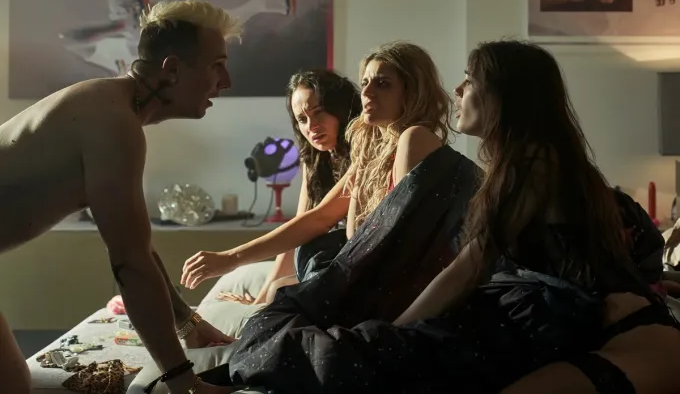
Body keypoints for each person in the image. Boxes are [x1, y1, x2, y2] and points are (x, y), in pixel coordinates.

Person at [189, 40, 679, 394]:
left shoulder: (528, 165)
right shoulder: (516, 164)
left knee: (321, 345)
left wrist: (396, 331)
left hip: (530, 317)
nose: (459, 88)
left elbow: (461, 266)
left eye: (472, 79)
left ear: (504, 95)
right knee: (290, 321)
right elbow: (325, 220)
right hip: (512, 306)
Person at [0, 0, 241, 394]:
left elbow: (135, 245)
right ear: (173, 70)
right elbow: (131, 265)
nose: (226, 81)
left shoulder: (111, 109)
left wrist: (188, 324)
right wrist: (185, 383)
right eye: (217, 65)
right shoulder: (113, 123)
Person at [180, 41, 453, 295]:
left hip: (379, 277)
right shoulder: (358, 149)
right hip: (358, 265)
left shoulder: (410, 139)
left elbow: (396, 241)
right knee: (274, 293)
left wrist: (235, 261)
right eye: (365, 83)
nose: (367, 93)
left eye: (382, 84)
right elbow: (312, 221)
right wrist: (244, 274)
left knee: (277, 298)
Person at [215, 68, 362, 306]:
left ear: (341, 109)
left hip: (358, 261)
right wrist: (259, 301)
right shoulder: (315, 161)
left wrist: (232, 258)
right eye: (302, 119)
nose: (311, 126)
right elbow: (297, 231)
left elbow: (318, 220)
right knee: (271, 289)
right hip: (326, 259)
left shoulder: (365, 152)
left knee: (278, 290)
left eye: (318, 112)